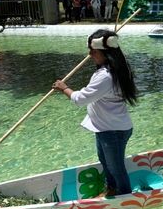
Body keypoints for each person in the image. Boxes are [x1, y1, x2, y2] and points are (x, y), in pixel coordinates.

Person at [52, 30, 138, 196]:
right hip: (106, 127)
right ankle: (111, 190)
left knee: (116, 167)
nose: (90, 55)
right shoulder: (117, 68)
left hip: (113, 130)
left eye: (94, 52)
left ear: (106, 54)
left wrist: (64, 88)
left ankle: (125, 196)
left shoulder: (106, 76)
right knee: (105, 162)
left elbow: (81, 99)